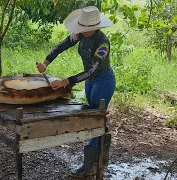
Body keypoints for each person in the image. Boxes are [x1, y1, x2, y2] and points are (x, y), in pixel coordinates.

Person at [36, 6, 116, 177]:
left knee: (95, 117)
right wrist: (46, 62)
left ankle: (90, 166)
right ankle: (100, 155)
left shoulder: (103, 43)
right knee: (93, 116)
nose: (81, 32)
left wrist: (67, 81)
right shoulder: (79, 34)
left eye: (86, 29)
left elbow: (91, 71)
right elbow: (62, 45)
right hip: (91, 80)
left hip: (103, 79)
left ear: (95, 27)